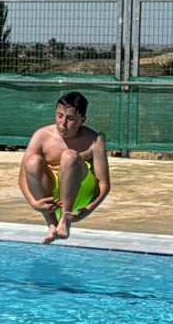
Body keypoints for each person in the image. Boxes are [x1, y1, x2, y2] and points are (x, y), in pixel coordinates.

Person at [18, 91, 111, 244]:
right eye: (59, 116)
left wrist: (90, 208)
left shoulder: (94, 140)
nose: (63, 123)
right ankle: (52, 223)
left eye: (71, 119)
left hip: (80, 190)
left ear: (82, 120)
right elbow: (22, 176)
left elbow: (104, 184)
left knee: (69, 156)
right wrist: (33, 203)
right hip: (52, 194)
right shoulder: (42, 135)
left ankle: (65, 221)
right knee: (32, 161)